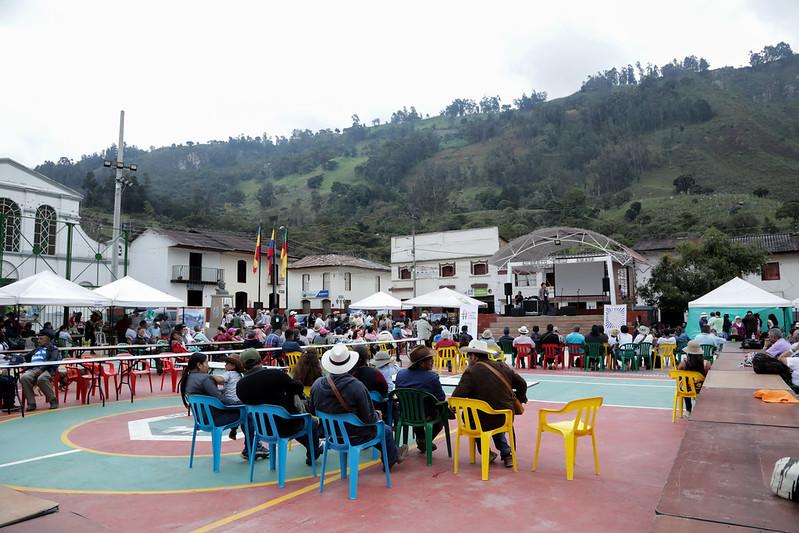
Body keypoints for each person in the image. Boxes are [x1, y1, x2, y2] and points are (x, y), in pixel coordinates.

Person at [310, 343, 408, 470]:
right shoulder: (356, 386)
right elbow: (368, 419)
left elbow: (313, 410)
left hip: (331, 436)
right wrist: (377, 415)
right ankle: (390, 458)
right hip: (355, 436)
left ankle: (392, 454)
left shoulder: (317, 384)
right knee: (386, 430)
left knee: (379, 428)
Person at [235, 348, 320, 465]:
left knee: (293, 423)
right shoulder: (276, 374)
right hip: (285, 425)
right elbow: (297, 387)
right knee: (311, 423)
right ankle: (313, 453)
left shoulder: (240, 385)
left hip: (261, 429)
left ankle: (313, 450)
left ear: (243, 365)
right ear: (260, 360)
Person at [452, 339, 527, 469]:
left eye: (468, 356)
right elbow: (522, 384)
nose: (467, 360)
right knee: (493, 414)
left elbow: (457, 396)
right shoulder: (503, 366)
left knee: (472, 416)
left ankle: (486, 452)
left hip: (481, 420)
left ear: (474, 356)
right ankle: (507, 453)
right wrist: (518, 399)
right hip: (505, 416)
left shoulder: (471, 372)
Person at [179, 352, 267, 460]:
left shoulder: (188, 378)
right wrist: (240, 403)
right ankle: (251, 449)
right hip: (214, 418)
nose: (208, 365)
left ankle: (251, 448)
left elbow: (212, 395)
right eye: (206, 363)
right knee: (248, 414)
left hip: (201, 419)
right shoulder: (206, 379)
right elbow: (221, 400)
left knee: (243, 412)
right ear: (199, 365)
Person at [394, 345, 447, 453]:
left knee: (416, 408)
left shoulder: (400, 374)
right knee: (441, 415)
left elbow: (398, 392)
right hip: (426, 415)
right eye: (430, 359)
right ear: (421, 363)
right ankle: (425, 440)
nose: (432, 361)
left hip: (406, 414)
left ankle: (421, 439)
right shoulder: (432, 377)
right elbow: (441, 398)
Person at [20, 331, 61, 410]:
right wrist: (17, 358)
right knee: (24, 377)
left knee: (41, 379)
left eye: (41, 339)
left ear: (48, 339)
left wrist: (42, 368)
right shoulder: (36, 349)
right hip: (33, 369)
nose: (38, 341)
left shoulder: (53, 349)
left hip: (47, 370)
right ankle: (31, 403)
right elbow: (26, 357)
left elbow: (53, 360)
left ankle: (53, 400)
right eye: (38, 339)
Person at [676, 340, 711, 414]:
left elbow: (679, 374)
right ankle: (700, 408)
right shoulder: (706, 364)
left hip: (686, 389)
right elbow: (708, 378)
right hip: (700, 389)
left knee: (686, 386)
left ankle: (688, 410)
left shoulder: (683, 363)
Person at [219, 355, 245, 440]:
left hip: (230, 401)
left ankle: (233, 428)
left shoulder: (228, 373)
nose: (225, 365)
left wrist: (211, 377)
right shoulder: (239, 375)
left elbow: (221, 380)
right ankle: (234, 429)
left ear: (233, 366)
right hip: (239, 400)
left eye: (227, 363)